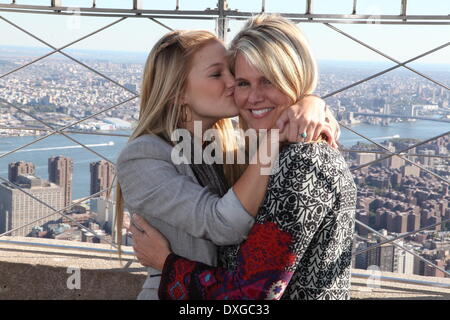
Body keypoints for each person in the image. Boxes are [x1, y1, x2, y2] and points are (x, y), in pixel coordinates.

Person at [129, 14, 357, 300]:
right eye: (242, 82)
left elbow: (253, 294)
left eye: (268, 81)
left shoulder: (303, 163)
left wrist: (168, 264)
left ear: (295, 78)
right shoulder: (255, 152)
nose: (251, 96)